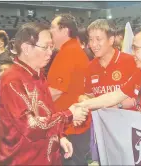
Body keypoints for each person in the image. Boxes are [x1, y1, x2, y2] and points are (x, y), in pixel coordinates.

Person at [0, 22, 89, 165]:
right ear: (26, 48)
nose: (50, 52)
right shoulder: (12, 79)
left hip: (45, 156)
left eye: (51, 47)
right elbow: (30, 125)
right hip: (24, 159)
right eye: (45, 47)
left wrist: (60, 136)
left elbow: (46, 112)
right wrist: (69, 114)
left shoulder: (38, 74)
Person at [79, 19, 137, 164]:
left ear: (111, 40)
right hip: (103, 130)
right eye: (91, 39)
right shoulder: (90, 67)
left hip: (129, 130)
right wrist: (83, 98)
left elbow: (140, 98)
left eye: (98, 39)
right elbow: (90, 95)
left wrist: (117, 105)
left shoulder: (130, 62)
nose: (93, 44)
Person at [48, 14, 90, 165]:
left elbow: (55, 91)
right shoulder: (72, 50)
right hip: (72, 124)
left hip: (69, 126)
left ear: (64, 30)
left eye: (52, 27)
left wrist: (36, 108)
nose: (50, 30)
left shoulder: (68, 53)